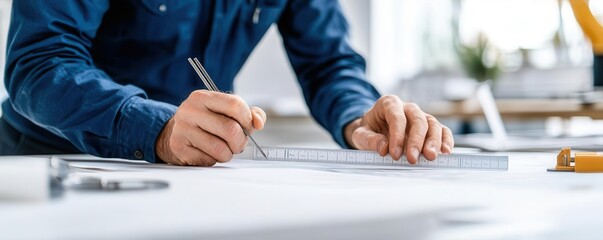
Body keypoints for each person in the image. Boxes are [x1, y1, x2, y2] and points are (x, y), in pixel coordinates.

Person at [0, 0, 454, 166]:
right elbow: (38, 63)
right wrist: (155, 128)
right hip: (50, 167)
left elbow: (329, 62)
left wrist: (360, 117)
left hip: (194, 180)